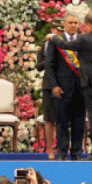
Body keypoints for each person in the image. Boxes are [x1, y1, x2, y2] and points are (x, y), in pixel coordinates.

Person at [48, 12, 92, 160]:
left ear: (88, 25)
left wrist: (53, 37)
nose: (77, 27)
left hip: (90, 85)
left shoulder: (84, 39)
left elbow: (65, 45)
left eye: (79, 24)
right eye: (71, 23)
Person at [45, 14, 86, 161]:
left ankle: (76, 153)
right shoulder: (55, 41)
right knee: (62, 121)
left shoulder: (83, 40)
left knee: (79, 122)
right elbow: (49, 67)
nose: (73, 25)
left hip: (81, 88)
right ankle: (62, 153)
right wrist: (54, 86)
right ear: (64, 24)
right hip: (61, 88)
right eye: (70, 23)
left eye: (76, 22)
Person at [36, 18, 63, 159]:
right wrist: (50, 58)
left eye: (61, 31)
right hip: (48, 84)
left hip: (65, 83)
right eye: (57, 31)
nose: (59, 33)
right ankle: (50, 151)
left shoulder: (67, 43)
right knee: (49, 119)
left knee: (64, 119)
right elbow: (38, 66)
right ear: (52, 31)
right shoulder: (44, 45)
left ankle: (63, 149)